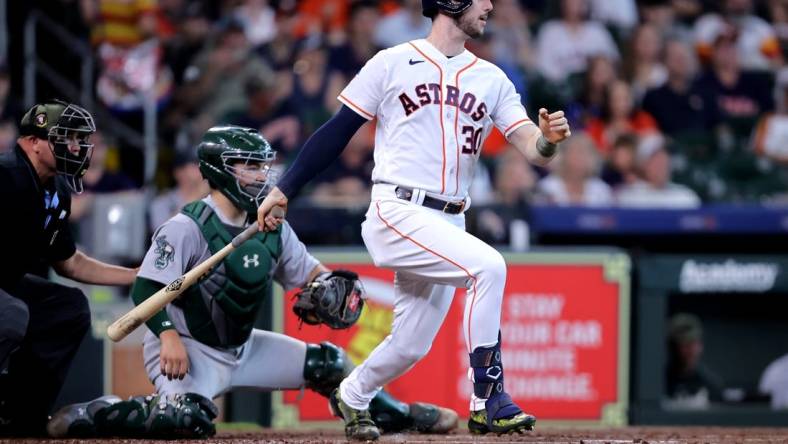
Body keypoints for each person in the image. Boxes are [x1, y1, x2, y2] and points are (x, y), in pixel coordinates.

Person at [255, 0, 571, 439]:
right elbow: (337, 131)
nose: (490, 6)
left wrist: (550, 142)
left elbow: (532, 148)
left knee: (410, 344)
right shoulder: (391, 62)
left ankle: (354, 394)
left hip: (450, 219)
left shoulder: (491, 77)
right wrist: (283, 188)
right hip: (397, 208)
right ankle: (489, 399)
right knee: (488, 267)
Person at [46, 126, 458, 439]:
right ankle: (97, 413)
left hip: (242, 346)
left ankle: (401, 415)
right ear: (218, 171)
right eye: (249, 166)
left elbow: (309, 273)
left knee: (330, 364)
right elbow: (146, 288)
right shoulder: (186, 226)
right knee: (189, 421)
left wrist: (327, 286)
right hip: (188, 347)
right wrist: (168, 336)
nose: (261, 175)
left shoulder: (272, 225)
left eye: (263, 165)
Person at [0, 101, 138, 436]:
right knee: (12, 313)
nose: (76, 147)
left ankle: (20, 417)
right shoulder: (5, 176)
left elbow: (70, 263)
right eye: (65, 137)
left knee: (68, 308)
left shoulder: (56, 189)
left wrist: (136, 275)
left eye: (79, 139)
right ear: (33, 141)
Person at [664, 313, 724, 410]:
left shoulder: (710, 385)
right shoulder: (660, 383)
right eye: (685, 344)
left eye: (694, 343)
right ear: (673, 347)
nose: (691, 350)